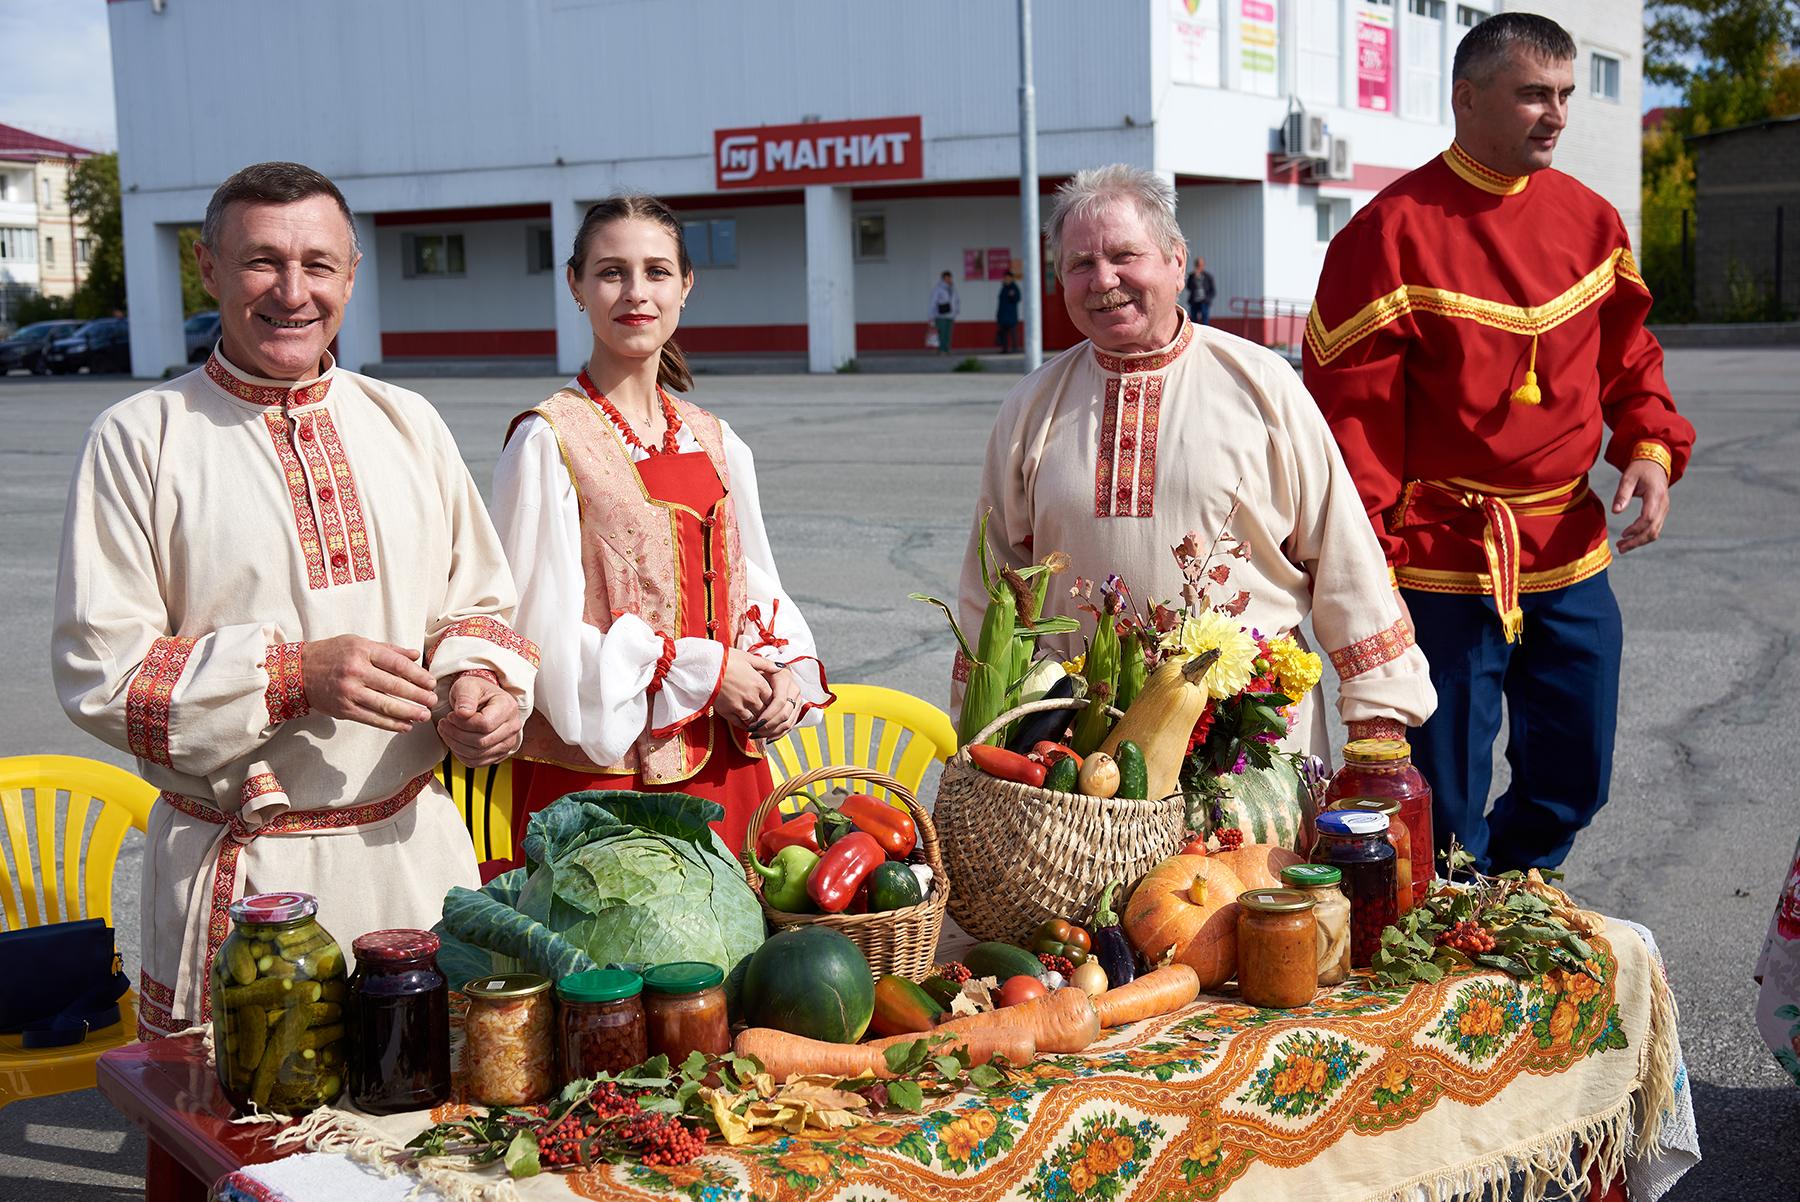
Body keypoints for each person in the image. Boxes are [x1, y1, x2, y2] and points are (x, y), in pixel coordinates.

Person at [52, 162, 539, 1040]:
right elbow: (101, 675)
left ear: (352, 274)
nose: (292, 291)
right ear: (208, 268)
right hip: (252, 887)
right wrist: (289, 675)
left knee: (429, 1141)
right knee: (250, 1153)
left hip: (413, 860)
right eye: (261, 262)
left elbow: (478, 605)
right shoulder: (139, 439)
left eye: (318, 264)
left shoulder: (407, 421)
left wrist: (483, 690)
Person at [1303, 13, 1695, 874]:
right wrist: (1370, 570)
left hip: (1566, 542)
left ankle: (1515, 890)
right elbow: (1350, 421)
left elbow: (1630, 355)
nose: (1554, 114)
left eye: (1562, 95)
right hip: (1440, 556)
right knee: (1439, 798)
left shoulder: (1592, 221)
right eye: (1531, 95)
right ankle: (1461, 936)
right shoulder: (1386, 234)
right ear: (1467, 99)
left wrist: (1648, 445)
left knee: (1578, 775)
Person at [960, 166, 1434, 761]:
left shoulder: (1262, 384)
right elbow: (994, 583)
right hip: (1079, 756)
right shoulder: (1032, 405)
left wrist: (1379, 717)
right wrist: (978, 732)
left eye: (1124, 255)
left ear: (1177, 261)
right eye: (1080, 264)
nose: (1103, 280)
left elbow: (1343, 551)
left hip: (1249, 747)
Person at [492, 195, 832, 861]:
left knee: (746, 954)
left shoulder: (715, 438)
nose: (635, 293)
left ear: (685, 287)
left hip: (729, 761)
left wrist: (780, 670)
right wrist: (699, 672)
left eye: (655, 271)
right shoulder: (548, 439)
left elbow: (751, 580)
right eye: (611, 272)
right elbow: (536, 633)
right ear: (577, 286)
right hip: (605, 772)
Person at [929, 270, 960, 355]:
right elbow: (933, 302)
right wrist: (931, 315)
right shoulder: (938, 289)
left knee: (948, 333)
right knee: (941, 333)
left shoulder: (953, 288)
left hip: (951, 314)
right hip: (940, 315)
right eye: (946, 278)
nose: (948, 280)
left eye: (949, 278)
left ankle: (947, 349)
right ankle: (941, 349)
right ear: (943, 279)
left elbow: (957, 300)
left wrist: (957, 310)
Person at [995, 271, 1023, 353]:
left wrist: (1012, 296)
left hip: (1011, 315)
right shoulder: (1003, 288)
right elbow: (1000, 303)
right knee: (1003, 334)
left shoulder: (1014, 288)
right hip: (1003, 315)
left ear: (1011, 278)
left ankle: (1015, 349)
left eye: (1007, 278)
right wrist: (998, 314)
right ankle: (1004, 349)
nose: (1006, 279)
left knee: (1013, 333)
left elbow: (1017, 299)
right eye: (1005, 278)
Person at [1185, 256, 1216, 325]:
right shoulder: (1192, 276)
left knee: (1204, 320)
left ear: (1203, 265)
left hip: (1204, 302)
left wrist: (1208, 299)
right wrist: (1195, 278)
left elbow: (1213, 290)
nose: (1199, 267)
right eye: (1197, 265)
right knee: (1193, 320)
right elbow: (1188, 287)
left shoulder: (1208, 276)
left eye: (1200, 265)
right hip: (1194, 301)